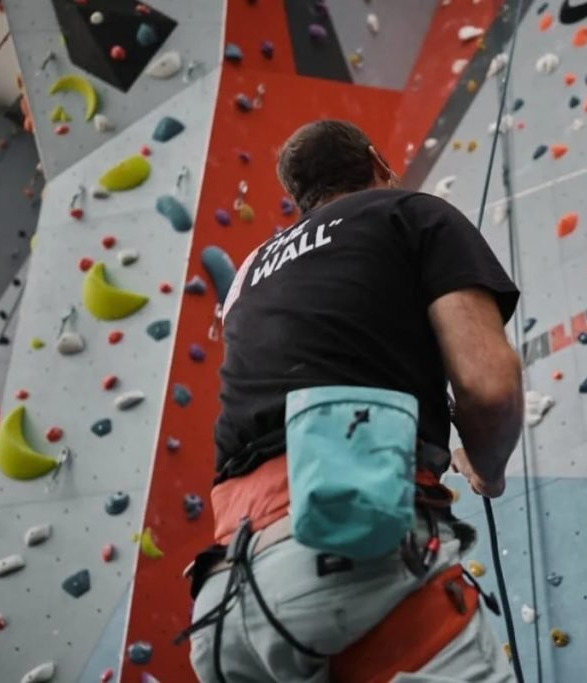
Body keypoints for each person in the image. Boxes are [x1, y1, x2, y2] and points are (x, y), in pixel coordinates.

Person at [179, 119, 524, 682]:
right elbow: (489, 385)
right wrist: (488, 470)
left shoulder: (247, 278)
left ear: (298, 200)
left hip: (227, 606)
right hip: (348, 548)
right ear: (377, 161)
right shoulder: (408, 212)